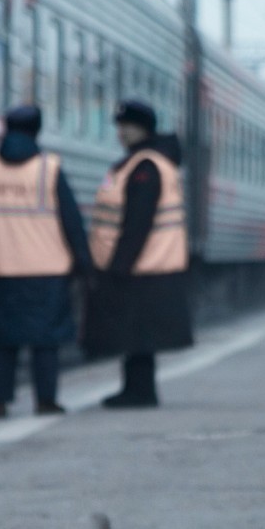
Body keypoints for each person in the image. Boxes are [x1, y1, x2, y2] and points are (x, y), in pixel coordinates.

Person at [0, 105, 93, 419]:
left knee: (2, 340)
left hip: (0, 268)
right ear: (37, 130)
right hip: (47, 271)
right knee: (46, 341)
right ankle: (46, 401)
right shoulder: (49, 169)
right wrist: (85, 264)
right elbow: (72, 223)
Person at [84, 100, 193, 408]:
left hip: (144, 266)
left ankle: (141, 392)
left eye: (127, 127)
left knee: (139, 335)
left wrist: (119, 264)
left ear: (142, 129)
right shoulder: (140, 162)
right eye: (119, 127)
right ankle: (134, 388)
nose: (121, 133)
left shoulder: (146, 167)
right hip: (145, 265)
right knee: (135, 336)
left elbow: (138, 223)